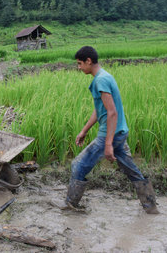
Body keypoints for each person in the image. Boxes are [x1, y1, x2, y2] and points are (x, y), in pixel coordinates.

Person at [52, 46, 159, 214]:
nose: (78, 68)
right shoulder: (105, 76)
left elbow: (112, 112)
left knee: (78, 166)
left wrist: (108, 144)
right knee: (131, 170)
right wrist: (85, 130)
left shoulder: (100, 80)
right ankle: (151, 207)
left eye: (80, 64)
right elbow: (100, 108)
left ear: (89, 61)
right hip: (120, 132)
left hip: (110, 135)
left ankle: (70, 206)